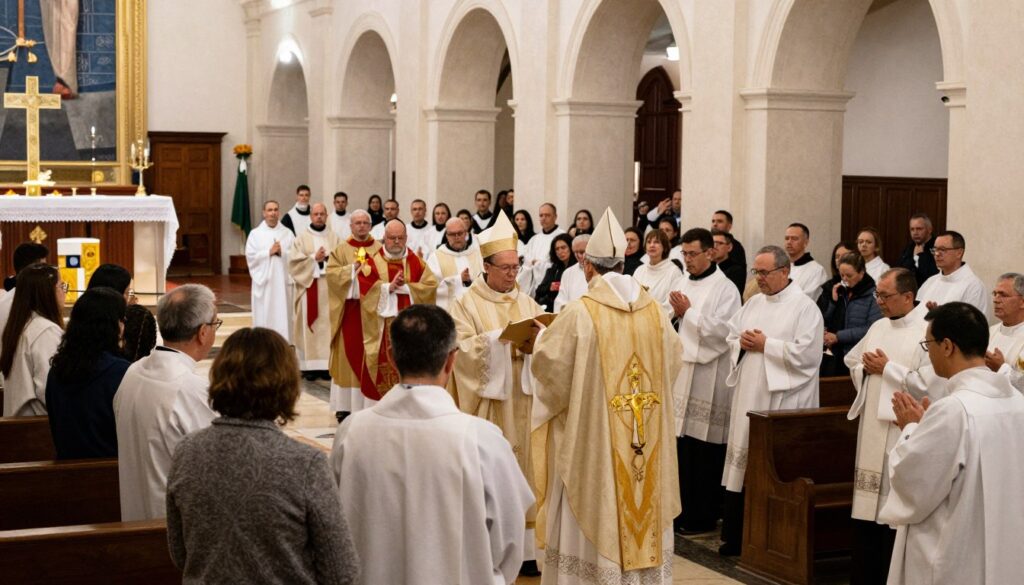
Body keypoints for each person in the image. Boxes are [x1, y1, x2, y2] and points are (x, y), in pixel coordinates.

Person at [531, 208, 683, 584]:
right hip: (645, 439)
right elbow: (674, 362)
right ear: (623, 262)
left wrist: (538, 342)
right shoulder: (655, 313)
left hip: (597, 446)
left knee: (597, 492)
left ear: (587, 267)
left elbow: (550, 370)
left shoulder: (580, 313)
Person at [332, 306, 532, 585]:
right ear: (452, 361)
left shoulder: (350, 434)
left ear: (390, 357)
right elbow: (510, 541)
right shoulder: (483, 441)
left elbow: (335, 528)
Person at [167, 328, 360, 585]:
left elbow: (180, 553)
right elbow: (341, 571)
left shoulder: (187, 451)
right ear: (287, 384)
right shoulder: (305, 464)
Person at [878, 302, 1024, 585]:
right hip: (1009, 549)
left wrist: (910, 428)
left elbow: (913, 485)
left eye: (928, 343)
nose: (928, 352)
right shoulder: (1019, 403)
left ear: (947, 346)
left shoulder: (954, 410)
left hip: (955, 555)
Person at [449, 212, 547, 575]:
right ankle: (491, 548)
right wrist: (501, 342)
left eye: (516, 266)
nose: (512, 274)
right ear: (486, 266)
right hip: (493, 408)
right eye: (505, 268)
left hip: (527, 401)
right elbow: (460, 351)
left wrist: (540, 342)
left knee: (530, 473)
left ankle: (528, 553)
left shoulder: (528, 301)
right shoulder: (466, 304)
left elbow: (546, 343)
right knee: (494, 474)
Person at [719, 246, 823, 555]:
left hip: (782, 399)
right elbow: (731, 337)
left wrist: (768, 345)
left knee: (773, 468)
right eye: (756, 272)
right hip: (750, 392)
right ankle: (737, 537)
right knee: (743, 464)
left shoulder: (805, 308)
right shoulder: (752, 304)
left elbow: (809, 355)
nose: (759, 278)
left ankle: (772, 539)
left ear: (784, 272)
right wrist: (742, 343)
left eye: (764, 272)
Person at [843, 268, 933, 585]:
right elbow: (853, 360)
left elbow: (930, 383)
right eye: (877, 295)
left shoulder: (928, 331)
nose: (879, 301)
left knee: (892, 515)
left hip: (902, 427)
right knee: (868, 512)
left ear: (908, 296)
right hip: (872, 429)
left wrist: (888, 368)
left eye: (885, 296)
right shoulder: (879, 326)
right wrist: (866, 369)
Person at [114, 284, 219, 521]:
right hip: (171, 530)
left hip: (133, 517)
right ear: (203, 332)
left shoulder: (133, 372)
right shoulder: (192, 390)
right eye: (215, 324)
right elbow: (217, 467)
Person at [669, 228, 741, 534]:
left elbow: (724, 332)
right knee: (681, 449)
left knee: (703, 451)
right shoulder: (682, 280)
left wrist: (688, 314)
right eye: (684, 254)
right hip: (681, 373)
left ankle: (702, 515)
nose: (688, 260)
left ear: (710, 252)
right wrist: (674, 316)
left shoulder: (726, 289)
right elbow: (667, 316)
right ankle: (678, 512)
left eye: (693, 254)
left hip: (708, 377)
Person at [46, 288, 130, 459]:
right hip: (111, 472)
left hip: (64, 472)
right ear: (115, 325)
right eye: (123, 319)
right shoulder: (120, 372)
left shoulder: (57, 369)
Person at [326, 210, 383, 420]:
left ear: (370, 225)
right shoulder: (341, 250)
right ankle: (344, 405)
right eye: (357, 223)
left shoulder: (379, 249)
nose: (361, 226)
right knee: (346, 357)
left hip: (373, 314)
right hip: (349, 312)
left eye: (365, 223)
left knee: (371, 356)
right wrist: (352, 270)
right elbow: (331, 276)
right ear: (351, 226)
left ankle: (370, 402)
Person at [0, 264, 65, 417]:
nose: (64, 292)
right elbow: (49, 390)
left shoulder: (20, 325)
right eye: (62, 286)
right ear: (47, 292)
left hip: (19, 423)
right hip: (37, 427)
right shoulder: (46, 331)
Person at [288, 203, 341, 381]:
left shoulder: (335, 238)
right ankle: (308, 366)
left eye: (322, 214)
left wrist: (327, 258)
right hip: (309, 286)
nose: (319, 217)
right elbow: (294, 263)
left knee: (327, 326)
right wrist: (314, 259)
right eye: (316, 214)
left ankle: (326, 365)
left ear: (327, 216)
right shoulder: (301, 239)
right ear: (311, 216)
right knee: (308, 325)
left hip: (329, 288)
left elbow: (341, 260)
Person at [821, 253, 881, 376]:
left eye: (849, 275)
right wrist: (833, 301)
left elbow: (872, 328)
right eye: (842, 275)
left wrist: (838, 336)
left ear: (861, 273)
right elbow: (825, 319)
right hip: (834, 354)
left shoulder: (873, 296)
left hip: (856, 355)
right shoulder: (840, 291)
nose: (844, 279)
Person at [0, 242, 49, 390]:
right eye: (44, 269)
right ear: (33, 271)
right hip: (27, 386)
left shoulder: (5, 299)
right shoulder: (32, 301)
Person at [245, 200, 295, 341]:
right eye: (269, 210)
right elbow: (251, 256)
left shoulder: (287, 233)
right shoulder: (255, 234)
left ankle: (284, 344)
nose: (273, 213)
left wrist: (282, 253)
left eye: (275, 210)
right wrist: (269, 252)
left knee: (283, 315)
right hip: (265, 284)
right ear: (264, 213)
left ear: (279, 212)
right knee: (265, 315)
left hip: (282, 285)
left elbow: (295, 255)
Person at [916, 230, 989, 315]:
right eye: (935, 249)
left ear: (959, 253)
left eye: (942, 249)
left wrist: (939, 319)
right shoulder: (930, 282)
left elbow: (973, 325)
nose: (937, 254)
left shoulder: (974, 286)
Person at [427, 217, 483, 310]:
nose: (457, 237)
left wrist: (470, 282)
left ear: (466, 233)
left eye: (460, 233)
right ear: (447, 236)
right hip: (449, 311)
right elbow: (430, 288)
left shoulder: (477, 254)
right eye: (452, 234)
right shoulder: (436, 258)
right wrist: (458, 279)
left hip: (476, 309)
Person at [633, 229, 687, 317]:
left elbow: (671, 305)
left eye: (656, 242)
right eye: (649, 242)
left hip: (661, 321)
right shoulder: (639, 270)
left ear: (665, 247)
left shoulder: (673, 271)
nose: (652, 245)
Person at [985, 272, 1024, 392]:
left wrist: (1001, 368)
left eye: (1003, 295)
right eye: (995, 294)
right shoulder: (989, 332)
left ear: (1022, 302)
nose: (996, 300)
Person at [518, 203, 565, 297]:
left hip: (552, 285)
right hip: (533, 286)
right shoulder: (534, 239)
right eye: (541, 215)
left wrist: (539, 264)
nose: (543, 218)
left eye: (547, 215)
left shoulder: (562, 236)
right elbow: (526, 261)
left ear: (555, 216)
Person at [784, 222, 829, 300]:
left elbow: (808, 299)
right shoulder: (781, 268)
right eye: (787, 238)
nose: (789, 242)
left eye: (794, 238)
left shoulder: (816, 270)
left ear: (806, 242)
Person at [534, 234, 575, 312]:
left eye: (563, 248)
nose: (560, 251)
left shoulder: (577, 267)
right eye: (557, 249)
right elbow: (539, 290)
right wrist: (551, 286)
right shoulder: (554, 268)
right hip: (553, 308)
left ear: (571, 247)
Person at [896, 213, 938, 286]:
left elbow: (932, 273)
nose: (915, 233)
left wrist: (920, 256)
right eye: (912, 229)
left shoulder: (938, 246)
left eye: (919, 229)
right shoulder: (909, 248)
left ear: (929, 230)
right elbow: (901, 271)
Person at [553, 234, 590, 312]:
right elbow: (560, 301)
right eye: (575, 252)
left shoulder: (601, 270)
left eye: (582, 252)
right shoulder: (568, 273)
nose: (578, 256)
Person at [818, 241, 856, 314]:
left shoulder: (864, 286)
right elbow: (822, 317)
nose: (840, 259)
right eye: (837, 257)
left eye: (845, 255)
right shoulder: (828, 287)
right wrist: (833, 302)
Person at [711, 229, 745, 295]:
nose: (714, 247)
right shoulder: (707, 267)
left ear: (729, 247)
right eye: (712, 243)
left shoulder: (736, 270)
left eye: (719, 243)